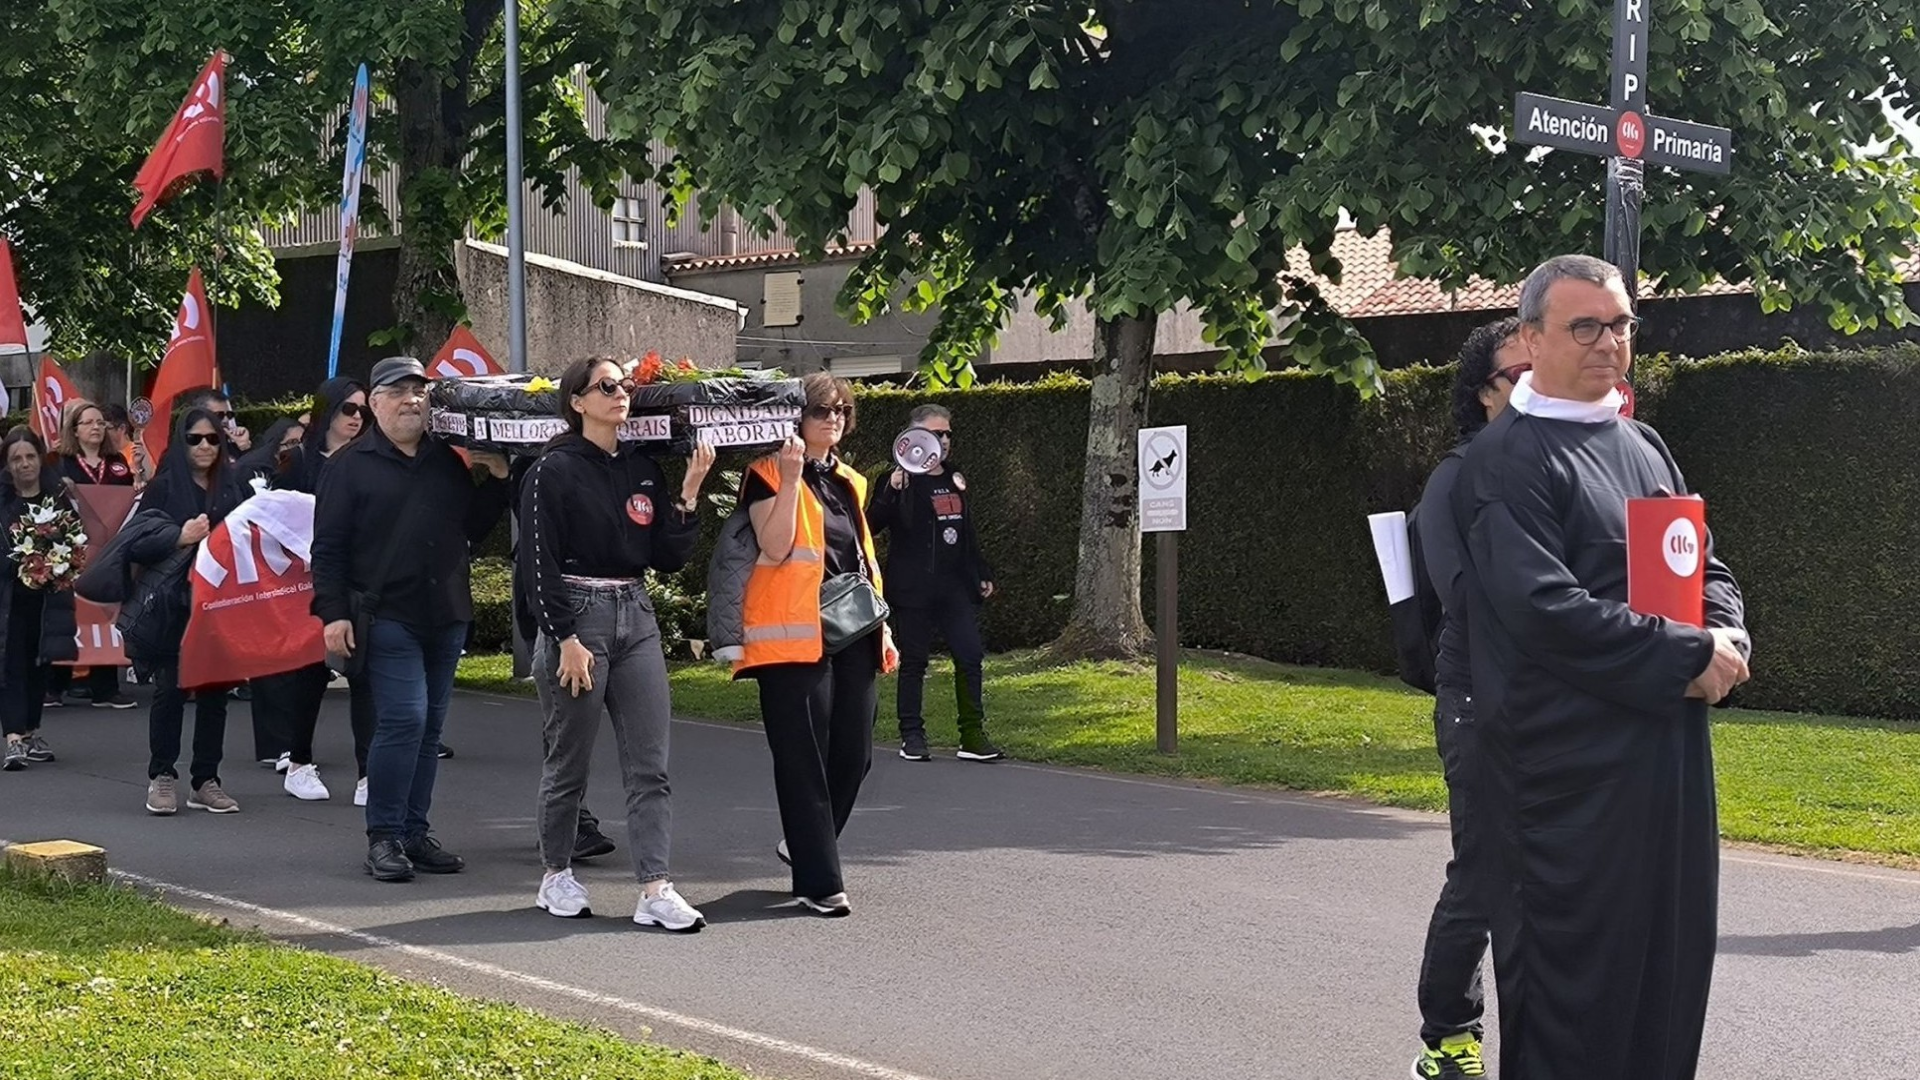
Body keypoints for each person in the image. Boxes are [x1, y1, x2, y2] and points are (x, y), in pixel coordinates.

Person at [1450, 254, 1751, 1080]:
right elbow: (1546, 610)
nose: (1608, 343)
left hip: (1669, 768)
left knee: (1667, 985)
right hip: (1568, 788)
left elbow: (1702, 567)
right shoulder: (1507, 462)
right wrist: (1687, 655)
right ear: (1531, 337)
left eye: (1620, 324)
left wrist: (1728, 638)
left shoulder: (1644, 445)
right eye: (1585, 325)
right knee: (1574, 1012)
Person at [516, 358, 716, 929]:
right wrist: (565, 639)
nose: (620, 394)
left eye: (625, 385)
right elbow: (537, 565)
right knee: (568, 763)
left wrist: (689, 495)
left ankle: (655, 888)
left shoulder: (640, 468)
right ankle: (556, 874)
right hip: (577, 618)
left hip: (636, 614)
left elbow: (667, 557)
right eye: (606, 386)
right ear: (577, 401)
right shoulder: (551, 471)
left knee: (651, 766)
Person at [313, 356, 509, 883]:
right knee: (404, 719)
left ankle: (414, 833)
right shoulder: (347, 467)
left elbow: (470, 526)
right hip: (387, 615)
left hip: (445, 612)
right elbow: (327, 550)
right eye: (398, 392)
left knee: (429, 728)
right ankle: (383, 837)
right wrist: (332, 614)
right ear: (374, 402)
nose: (411, 401)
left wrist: (498, 480)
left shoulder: (445, 460)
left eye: (419, 392)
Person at [1405, 317, 1522, 1080]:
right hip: (1478, 700)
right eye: (1522, 375)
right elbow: (1463, 598)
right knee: (1483, 872)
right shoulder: (1456, 479)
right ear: (1487, 394)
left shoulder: (1555, 469)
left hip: (1551, 704)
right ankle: (1449, 1036)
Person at [734, 373, 896, 917]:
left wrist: (884, 623)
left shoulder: (851, 480)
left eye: (841, 412)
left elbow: (862, 558)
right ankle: (818, 881)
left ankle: (806, 843)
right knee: (802, 759)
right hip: (792, 637)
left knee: (855, 754)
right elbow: (776, 549)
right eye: (822, 411)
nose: (833, 420)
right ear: (796, 418)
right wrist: (790, 477)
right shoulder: (763, 474)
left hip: (854, 630)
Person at [253, 380, 372, 802]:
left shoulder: (369, 458)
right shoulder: (299, 459)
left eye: (361, 409)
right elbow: (270, 513)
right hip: (304, 581)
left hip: (356, 579)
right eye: (348, 409)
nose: (356, 418)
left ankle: (367, 773)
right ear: (328, 411)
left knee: (364, 674)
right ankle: (299, 761)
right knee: (311, 672)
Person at [867, 404, 1001, 762]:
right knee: (915, 661)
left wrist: (982, 571)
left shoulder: (954, 476)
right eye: (935, 434)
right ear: (912, 439)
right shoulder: (898, 479)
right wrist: (891, 492)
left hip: (954, 586)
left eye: (947, 434)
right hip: (914, 587)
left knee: (970, 655)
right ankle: (912, 735)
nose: (943, 441)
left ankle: (972, 736)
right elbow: (871, 526)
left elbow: (966, 530)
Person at [136, 407, 249, 815]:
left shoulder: (233, 488)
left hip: (220, 605)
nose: (205, 446)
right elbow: (138, 543)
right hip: (173, 606)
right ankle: (162, 774)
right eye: (195, 438)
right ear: (180, 442)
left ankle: (206, 779)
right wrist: (178, 536)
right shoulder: (163, 487)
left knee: (215, 692)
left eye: (213, 438)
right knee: (171, 690)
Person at [48, 399, 139, 710]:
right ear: (75, 429)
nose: (97, 427)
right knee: (66, 615)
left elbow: (127, 500)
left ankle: (105, 687)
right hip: (71, 551)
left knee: (105, 613)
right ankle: (55, 685)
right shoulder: (62, 464)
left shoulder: (117, 463)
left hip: (109, 551)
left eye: (101, 422)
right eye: (89, 422)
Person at [1, 429, 79, 771]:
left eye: (29, 456)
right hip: (9, 601)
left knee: (40, 665)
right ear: (7, 464)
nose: (24, 464)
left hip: (49, 600)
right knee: (11, 665)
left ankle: (32, 731)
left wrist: (60, 564)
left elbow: (76, 539)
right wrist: (20, 563)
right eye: (16, 459)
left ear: (39, 457)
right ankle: (13, 737)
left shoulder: (57, 496)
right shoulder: (3, 501)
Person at [102, 403, 152, 487]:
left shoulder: (139, 452)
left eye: (106, 428)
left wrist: (138, 467)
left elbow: (147, 483)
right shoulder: (101, 454)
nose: (101, 432)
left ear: (122, 428)